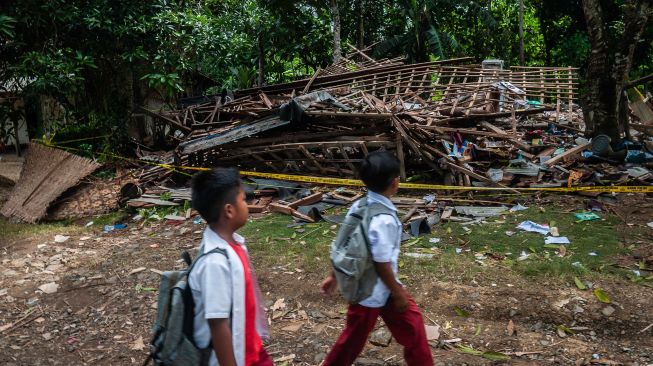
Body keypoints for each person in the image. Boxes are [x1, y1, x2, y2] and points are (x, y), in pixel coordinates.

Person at [320, 150, 433, 365]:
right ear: (394, 182)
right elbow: (382, 263)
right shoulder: (385, 219)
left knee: (412, 328)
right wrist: (398, 293)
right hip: (375, 292)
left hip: (369, 288)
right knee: (353, 341)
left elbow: (344, 243)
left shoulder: (359, 205)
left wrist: (333, 274)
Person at [189, 167, 272, 366]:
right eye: (243, 200)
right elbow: (218, 324)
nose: (247, 204)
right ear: (229, 210)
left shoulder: (233, 245)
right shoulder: (214, 263)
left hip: (251, 347)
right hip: (234, 357)